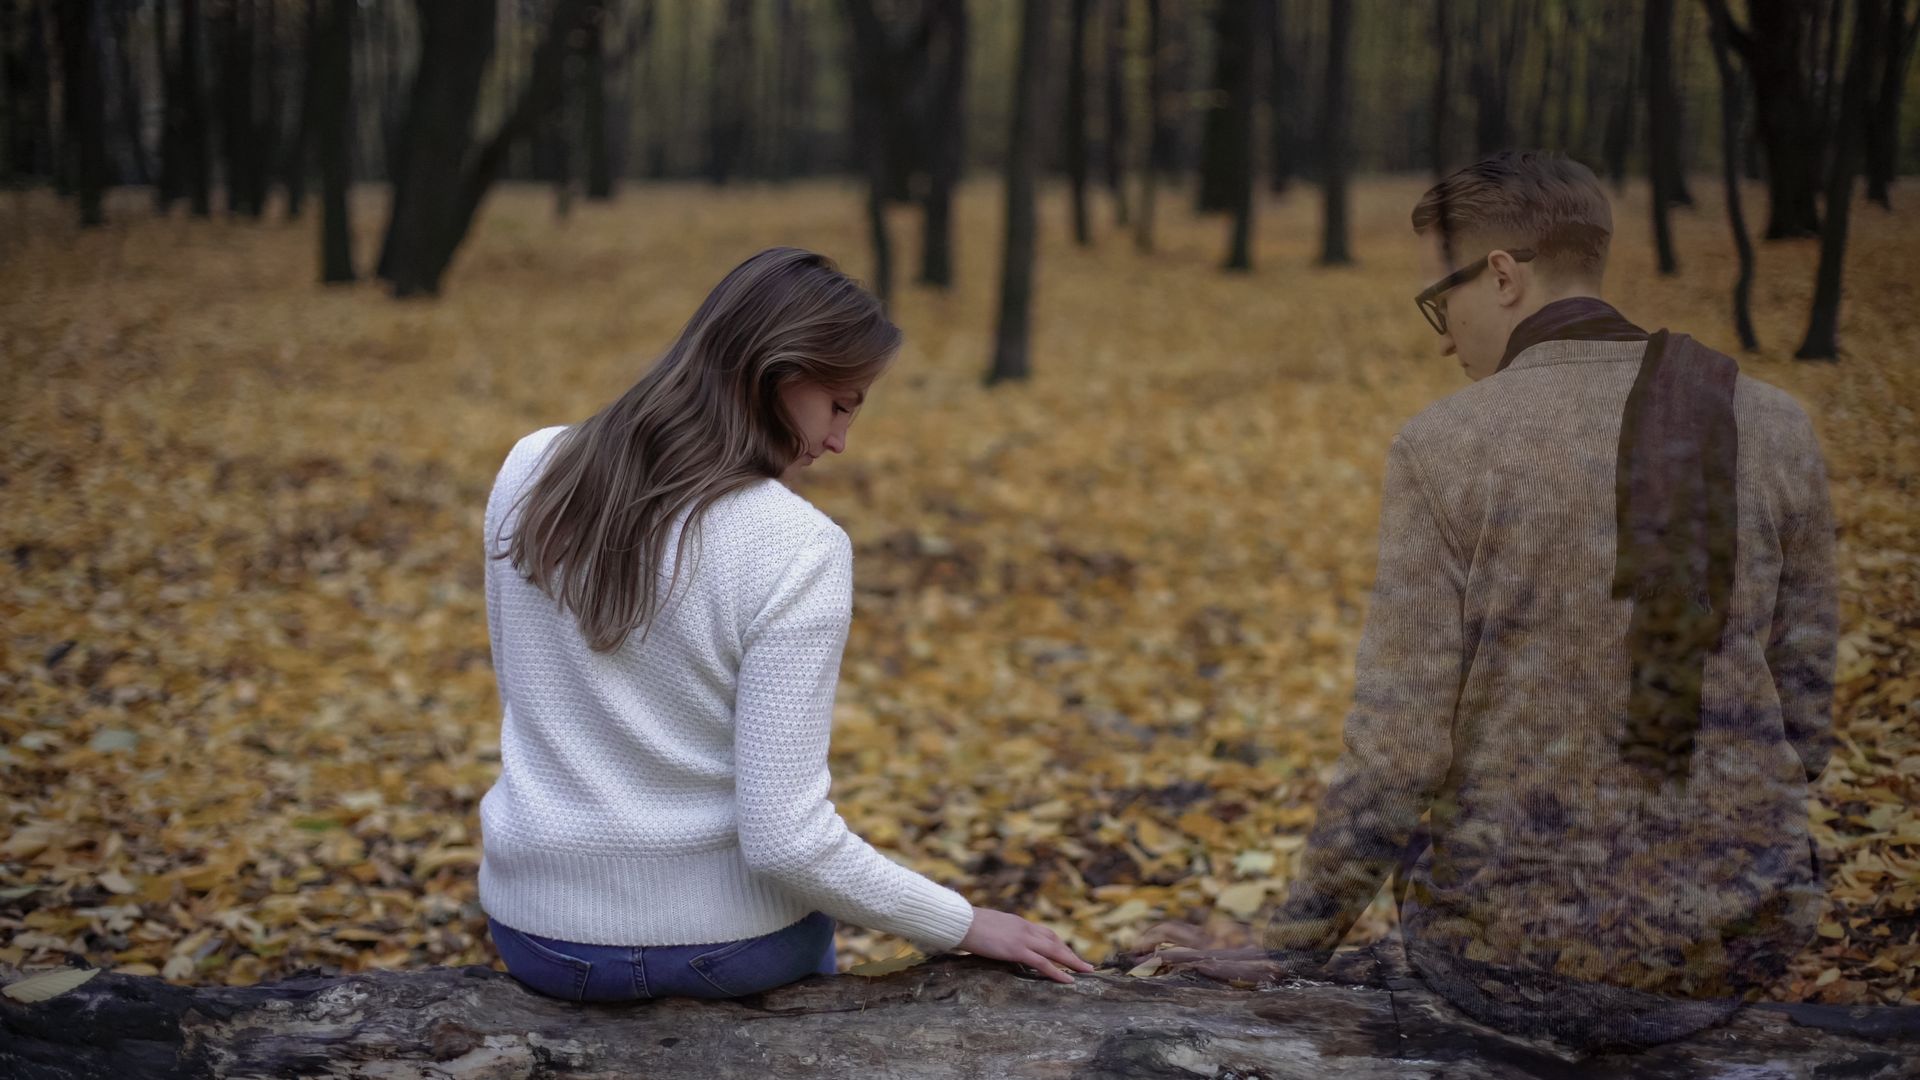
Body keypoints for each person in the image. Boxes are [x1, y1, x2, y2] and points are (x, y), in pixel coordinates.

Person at [1134, 151, 1836, 1050]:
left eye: (1440, 300)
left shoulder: (1444, 446)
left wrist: (1294, 942)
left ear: (1503, 275)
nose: (1440, 332)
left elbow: (1398, 748)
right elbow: (1805, 720)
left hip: (1506, 961)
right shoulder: (1774, 423)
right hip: (1737, 945)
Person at [477, 247, 1094, 1002]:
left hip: (539, 935)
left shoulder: (532, 466)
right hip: (722, 948)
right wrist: (963, 924)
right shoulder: (796, 546)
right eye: (841, 405)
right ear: (777, 372)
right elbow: (787, 843)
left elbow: (524, 692)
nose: (839, 443)